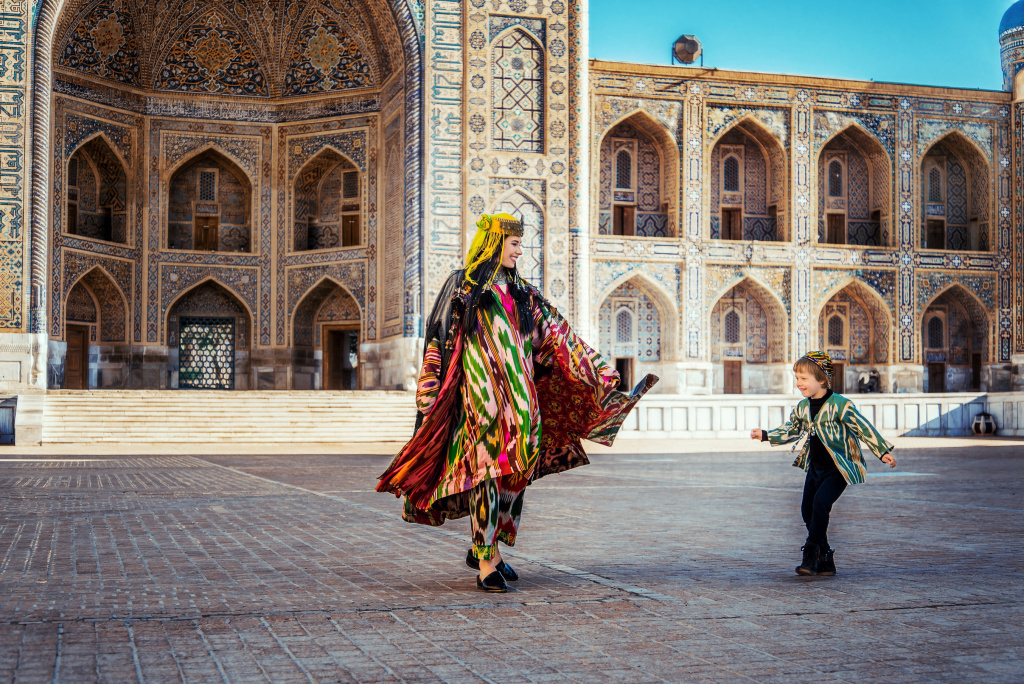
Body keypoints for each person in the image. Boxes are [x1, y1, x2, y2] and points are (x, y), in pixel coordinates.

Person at [378, 213, 658, 592]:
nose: (520, 251)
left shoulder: (523, 293)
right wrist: (429, 383)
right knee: (486, 472)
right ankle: (485, 560)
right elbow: (439, 336)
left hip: (522, 405)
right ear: (495, 243)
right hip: (481, 401)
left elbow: (558, 337)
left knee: (515, 472)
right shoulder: (465, 286)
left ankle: (489, 548)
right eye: (514, 244)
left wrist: (596, 369)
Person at [750, 351, 896, 576]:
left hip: (838, 469)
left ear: (821, 379)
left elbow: (863, 427)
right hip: (815, 469)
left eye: (804, 378)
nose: (799, 383)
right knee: (807, 510)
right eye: (797, 378)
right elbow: (792, 430)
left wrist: (882, 451)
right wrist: (767, 435)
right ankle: (826, 557)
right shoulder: (802, 407)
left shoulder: (841, 405)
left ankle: (810, 554)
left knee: (820, 505)